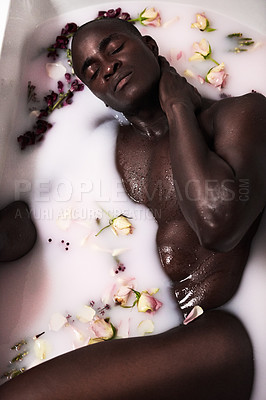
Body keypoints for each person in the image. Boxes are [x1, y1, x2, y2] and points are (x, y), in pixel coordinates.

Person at [0, 16, 265, 400]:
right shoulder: (107, 148)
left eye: (114, 48)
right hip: (170, 341)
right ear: (97, 95)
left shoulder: (240, 115)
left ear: (151, 48)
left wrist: (178, 108)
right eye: (92, 70)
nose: (107, 67)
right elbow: (31, 223)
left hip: (228, 342)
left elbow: (217, 222)